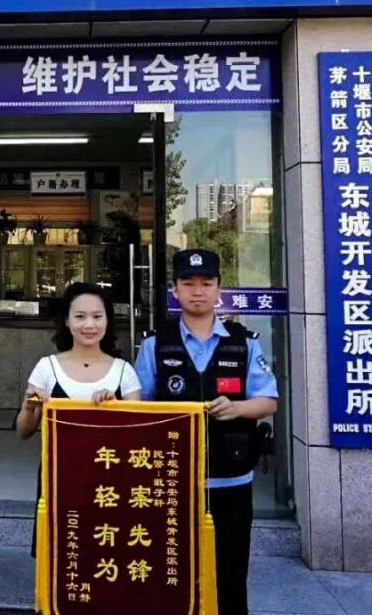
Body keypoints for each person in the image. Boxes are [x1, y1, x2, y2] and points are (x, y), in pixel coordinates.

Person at [134, 249, 278, 615]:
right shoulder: (155, 344)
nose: (197, 291)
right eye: (188, 283)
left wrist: (238, 408)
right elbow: (137, 407)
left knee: (230, 575)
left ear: (219, 290)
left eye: (206, 283)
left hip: (231, 482)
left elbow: (269, 401)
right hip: (173, 484)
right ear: (175, 291)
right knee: (172, 574)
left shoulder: (244, 342)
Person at [17, 282, 142, 555]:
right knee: (59, 555)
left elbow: (137, 436)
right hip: (58, 481)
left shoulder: (124, 372)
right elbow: (24, 431)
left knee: (106, 556)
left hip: (110, 483)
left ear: (107, 320)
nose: (89, 325)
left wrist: (116, 408)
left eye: (97, 316)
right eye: (80, 316)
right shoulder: (46, 367)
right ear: (67, 321)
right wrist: (28, 407)